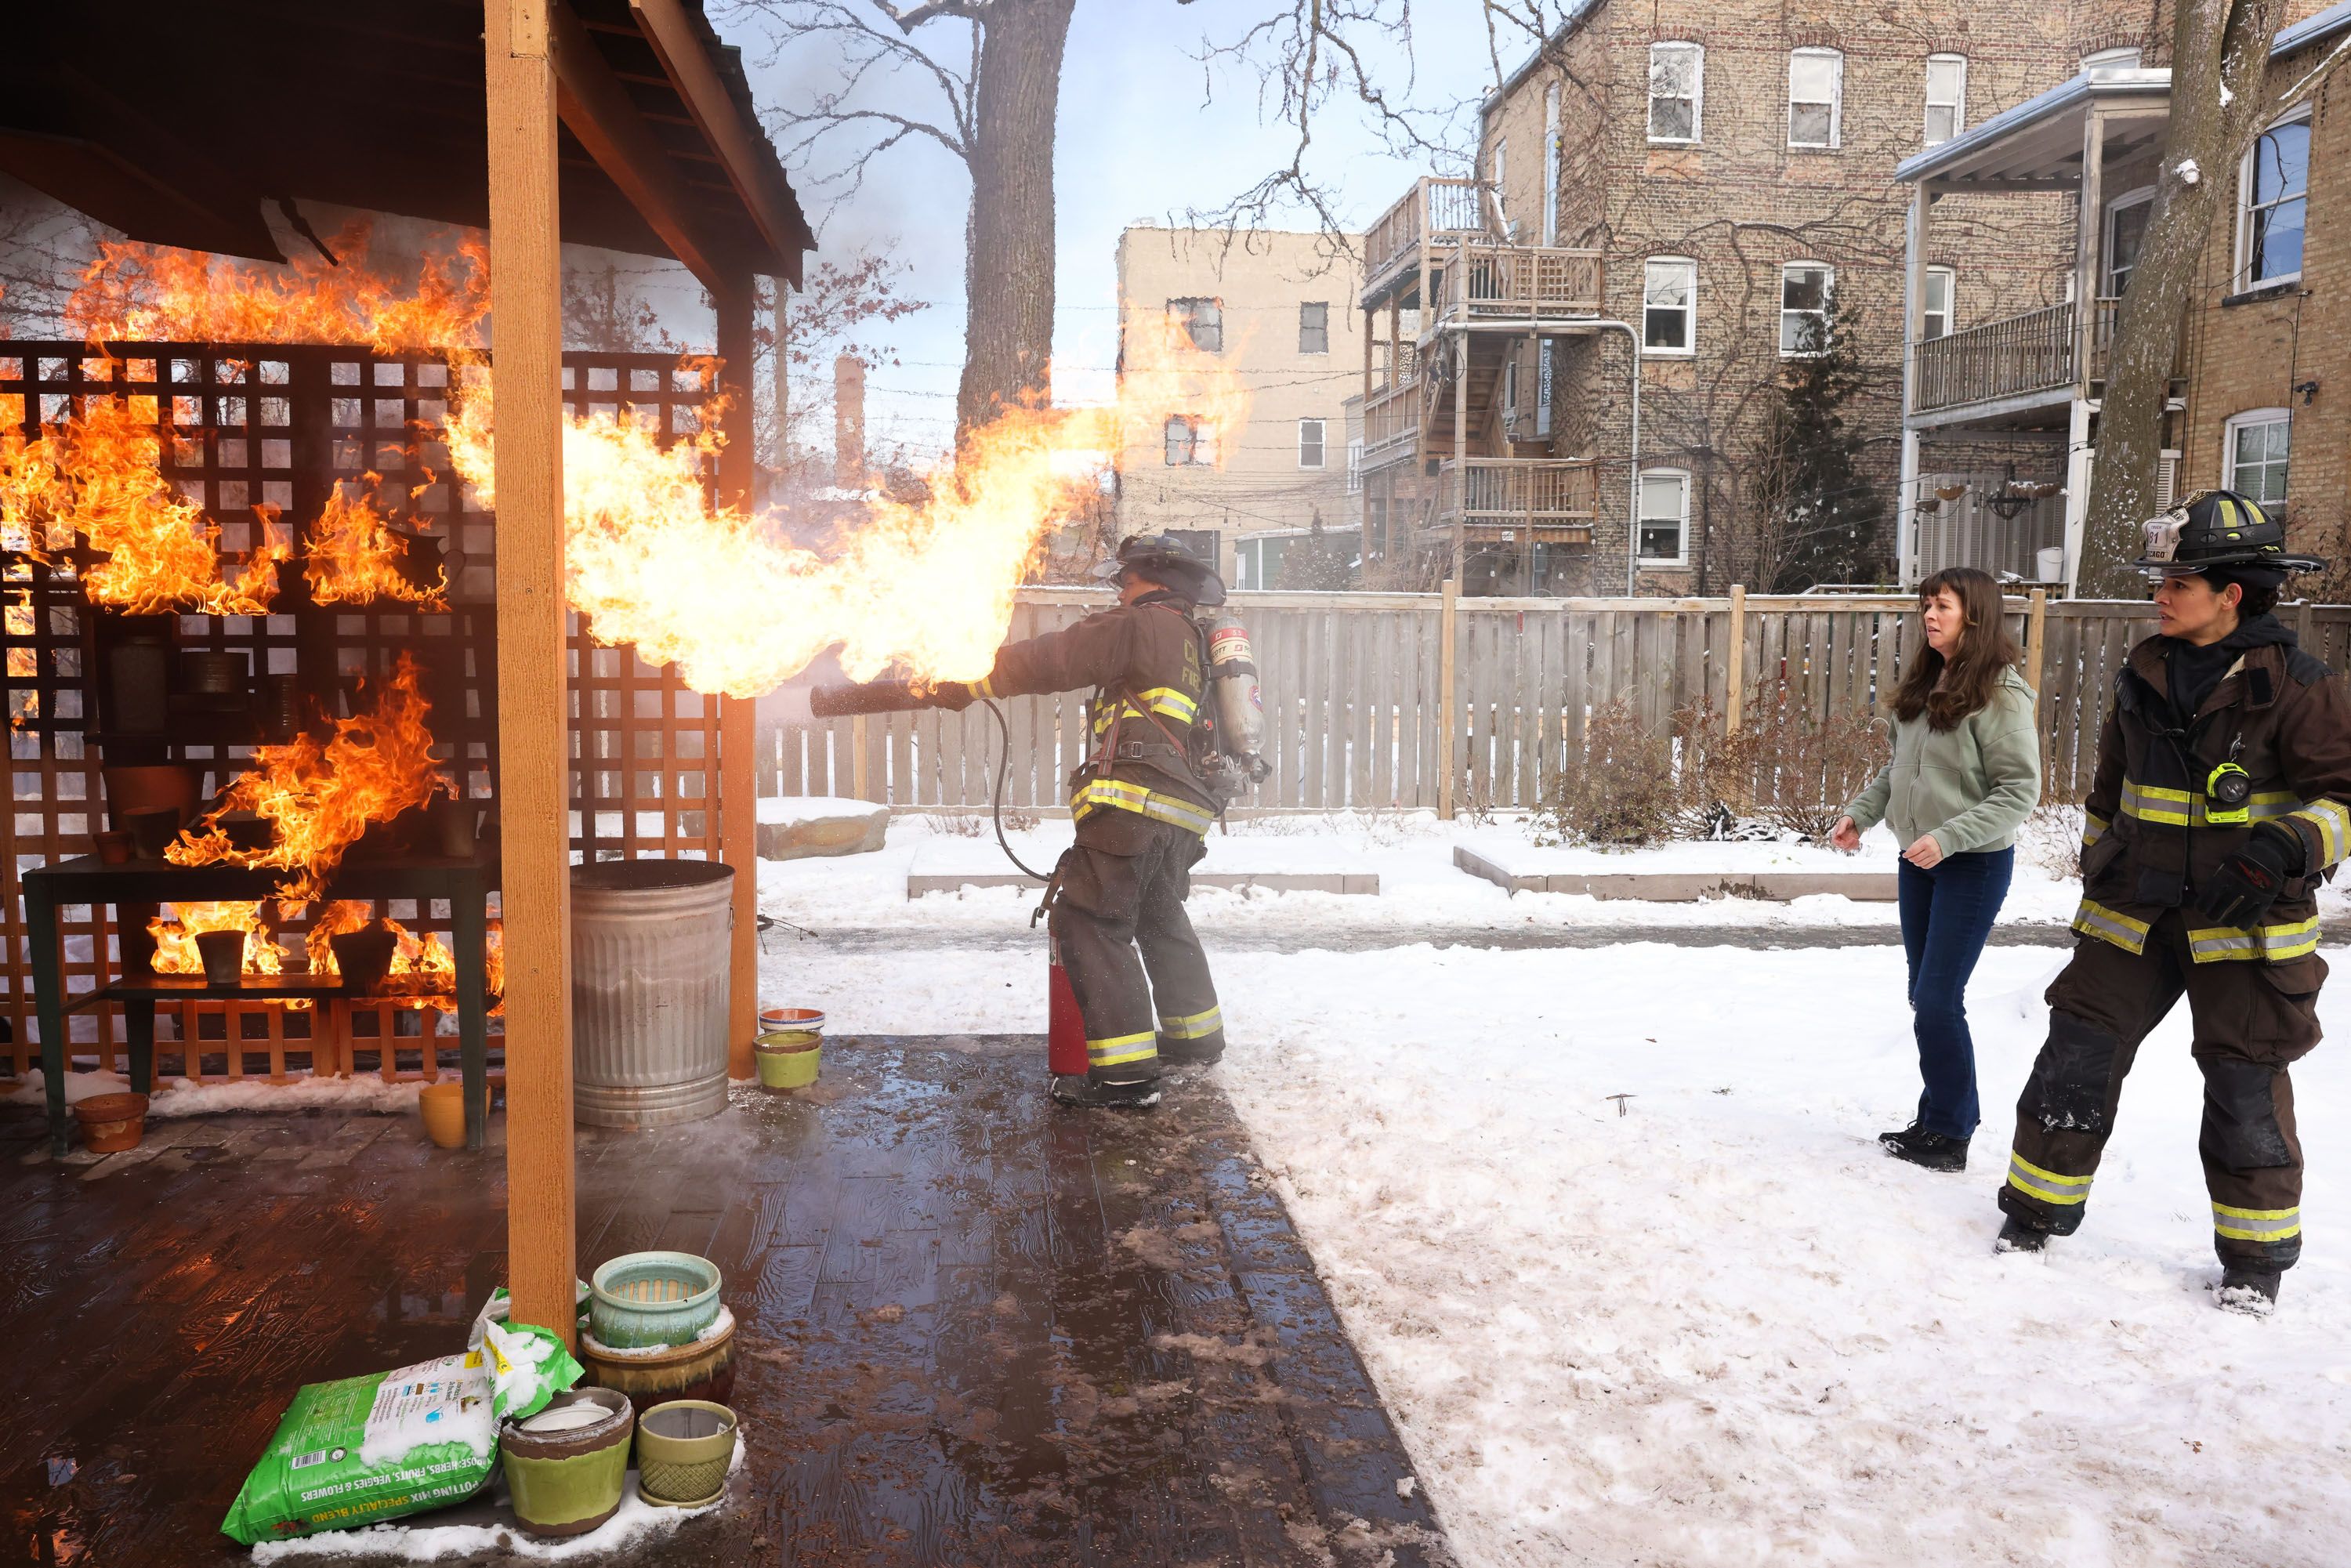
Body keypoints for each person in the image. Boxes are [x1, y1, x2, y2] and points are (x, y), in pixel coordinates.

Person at [1994, 491, 2346, 1315]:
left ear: (2232, 593)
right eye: (2161, 577)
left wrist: (2288, 845)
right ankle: (2034, 1214)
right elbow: (2110, 791)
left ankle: (2255, 1266)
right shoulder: (2142, 671)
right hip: (2132, 917)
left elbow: (2344, 799)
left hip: (2245, 928)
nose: (2160, 593)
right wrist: (2097, 861)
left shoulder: (2300, 687)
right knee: (2075, 1057)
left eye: (2178, 580)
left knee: (2244, 1089)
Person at [798, 534, 1230, 1109]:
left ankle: (1126, 1078)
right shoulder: (1194, 642)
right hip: (1183, 813)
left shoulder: (1138, 626)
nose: (1120, 589)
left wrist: (969, 678)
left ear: (1157, 581)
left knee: (1089, 921)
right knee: (1156, 912)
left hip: (1134, 804)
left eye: (1126, 579)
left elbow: (1049, 660)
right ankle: (1196, 1038)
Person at [1831, 567, 2042, 1173]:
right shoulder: (1928, 681)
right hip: (1918, 862)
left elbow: (2019, 792)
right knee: (1924, 995)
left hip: (1971, 866)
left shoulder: (2001, 693)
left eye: (1942, 606)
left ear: (1973, 615)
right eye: (1926, 604)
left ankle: (1950, 1132)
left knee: (1938, 998)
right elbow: (1898, 770)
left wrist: (1948, 837)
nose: (1929, 615)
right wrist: (1862, 815)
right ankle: (1938, 1118)